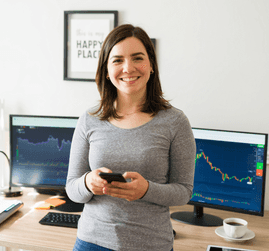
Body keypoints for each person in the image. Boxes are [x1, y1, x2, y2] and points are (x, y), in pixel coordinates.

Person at [66, 24, 196, 251]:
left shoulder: (175, 122)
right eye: (117, 60)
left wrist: (146, 190)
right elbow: (72, 188)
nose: (128, 68)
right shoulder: (89, 119)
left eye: (137, 58)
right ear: (106, 70)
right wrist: (88, 182)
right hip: (91, 243)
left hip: (151, 245)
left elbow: (183, 191)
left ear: (151, 65)